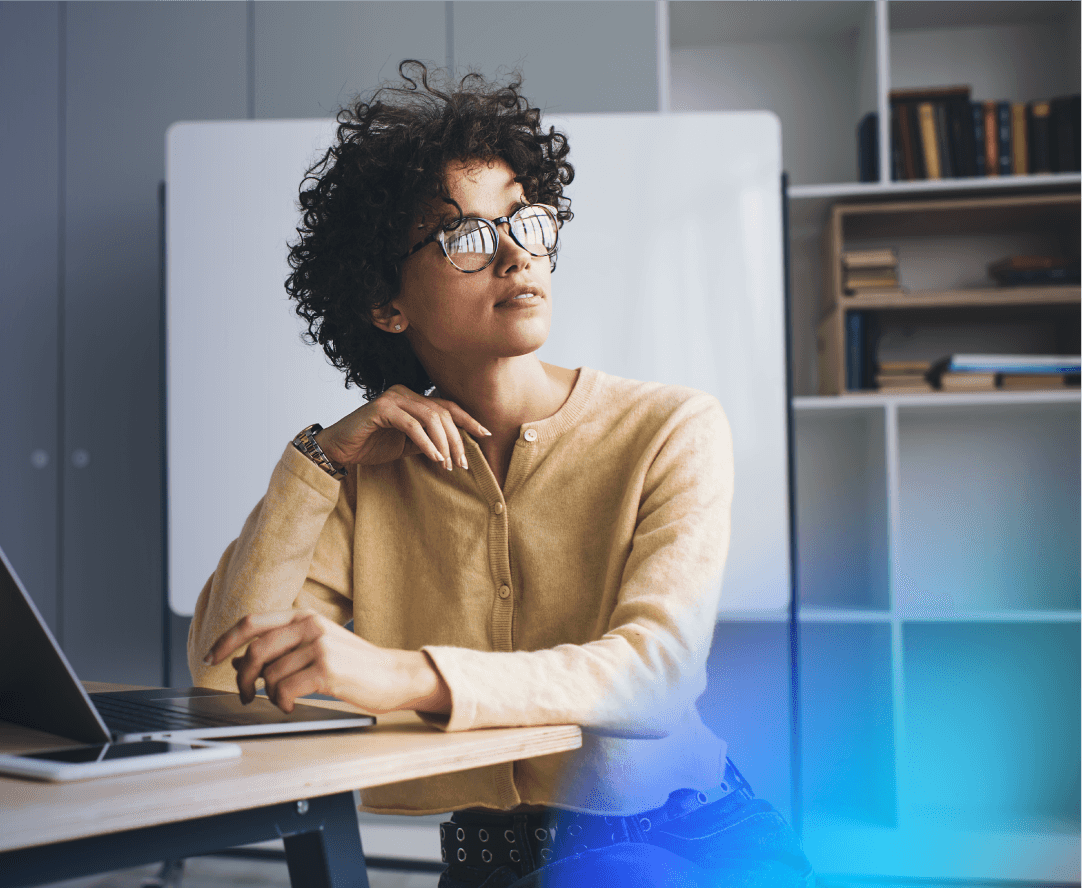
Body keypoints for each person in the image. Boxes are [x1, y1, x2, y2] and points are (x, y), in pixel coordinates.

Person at [188, 61, 812, 888]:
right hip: (486, 867)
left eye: (526, 219)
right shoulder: (365, 475)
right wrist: (318, 460)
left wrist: (405, 674)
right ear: (387, 303)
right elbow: (219, 672)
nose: (518, 252)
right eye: (469, 236)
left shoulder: (672, 426)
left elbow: (654, 676)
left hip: (688, 844)